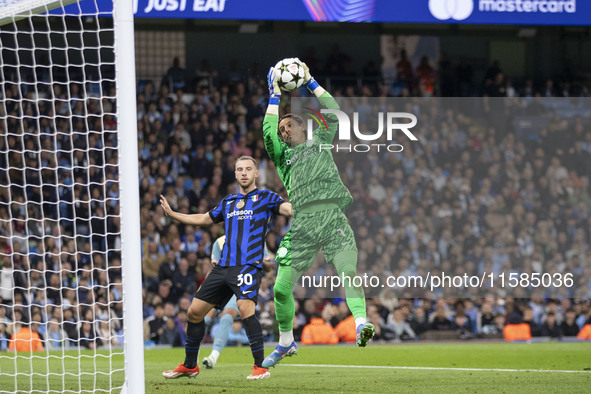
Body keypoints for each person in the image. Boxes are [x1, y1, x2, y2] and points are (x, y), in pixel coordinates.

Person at [262, 61, 374, 368]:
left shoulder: (321, 141)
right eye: (282, 129)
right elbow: (267, 132)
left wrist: (310, 82)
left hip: (333, 216)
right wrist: (274, 95)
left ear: (302, 126)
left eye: (289, 126)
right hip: (304, 223)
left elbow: (334, 110)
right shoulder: (283, 158)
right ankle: (286, 342)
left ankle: (362, 322)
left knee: (347, 270)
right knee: (282, 288)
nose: (284, 131)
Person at [160, 156, 292, 380]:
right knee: (194, 312)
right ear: (235, 174)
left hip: (248, 266)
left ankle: (260, 367)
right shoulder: (228, 202)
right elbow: (204, 218)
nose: (243, 173)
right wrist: (173, 215)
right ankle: (190, 365)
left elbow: (287, 209)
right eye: (239, 169)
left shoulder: (266, 197)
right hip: (223, 267)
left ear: (256, 173)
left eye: (248, 169)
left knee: (245, 309)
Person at [201, 235, 273, 369]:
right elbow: (215, 270)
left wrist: (258, 261)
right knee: (204, 319)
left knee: (226, 316)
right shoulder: (219, 241)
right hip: (223, 286)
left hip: (243, 285)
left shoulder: (256, 238)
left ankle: (213, 357)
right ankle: (192, 357)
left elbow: (268, 266)